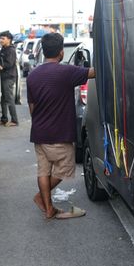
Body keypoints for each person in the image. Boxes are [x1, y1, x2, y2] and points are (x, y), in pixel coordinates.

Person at [27, 32, 95, 220]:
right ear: (61, 52)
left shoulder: (32, 76)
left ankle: (48, 208)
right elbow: (93, 72)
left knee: (43, 170)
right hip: (59, 133)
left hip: (39, 132)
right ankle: (42, 197)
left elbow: (32, 107)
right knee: (65, 168)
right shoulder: (66, 72)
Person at [0, 31, 19, 126]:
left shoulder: (11, 50)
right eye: (1, 38)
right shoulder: (3, 49)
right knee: (3, 99)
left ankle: (14, 120)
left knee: (9, 98)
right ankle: (4, 118)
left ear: (9, 39)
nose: (1, 40)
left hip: (9, 77)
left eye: (3, 39)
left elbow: (9, 63)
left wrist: (1, 66)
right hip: (3, 77)